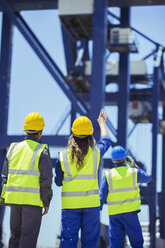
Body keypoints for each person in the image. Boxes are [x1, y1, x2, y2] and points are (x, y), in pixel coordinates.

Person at [55, 109, 111, 248]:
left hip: (70, 206)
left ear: (72, 134)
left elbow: (57, 182)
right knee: (90, 243)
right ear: (90, 135)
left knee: (68, 242)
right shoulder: (96, 153)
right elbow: (106, 141)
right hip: (91, 206)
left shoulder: (62, 157)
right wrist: (102, 123)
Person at [1, 112, 53, 248]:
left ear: (26, 130)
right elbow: (46, 178)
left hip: (14, 200)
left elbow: (5, 176)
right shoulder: (42, 150)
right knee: (28, 239)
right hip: (32, 201)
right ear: (41, 131)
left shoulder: (13, 148)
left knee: (15, 238)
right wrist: (46, 201)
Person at [99, 145, 152, 248]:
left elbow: (101, 195)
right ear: (125, 158)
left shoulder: (108, 175)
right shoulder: (133, 172)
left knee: (115, 244)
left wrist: (98, 208)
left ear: (113, 160)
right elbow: (147, 179)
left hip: (115, 215)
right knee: (137, 243)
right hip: (130, 214)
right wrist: (134, 165)